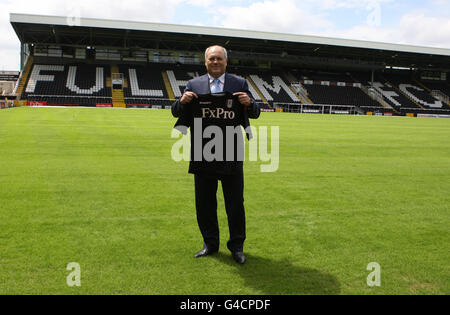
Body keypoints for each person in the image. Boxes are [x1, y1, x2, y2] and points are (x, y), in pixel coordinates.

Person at [171, 45, 260, 264]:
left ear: (226, 61)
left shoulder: (239, 84)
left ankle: (237, 247)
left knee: (235, 204)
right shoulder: (194, 85)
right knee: (204, 204)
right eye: (211, 59)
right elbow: (176, 112)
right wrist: (181, 102)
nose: (215, 62)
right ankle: (210, 244)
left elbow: (255, 113)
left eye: (219, 58)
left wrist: (250, 103)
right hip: (202, 152)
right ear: (205, 62)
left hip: (231, 151)